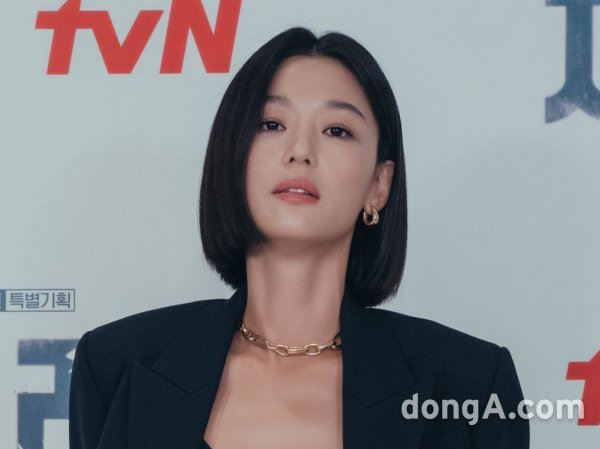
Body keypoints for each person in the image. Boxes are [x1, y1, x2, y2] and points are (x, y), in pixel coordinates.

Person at [69, 27, 529, 449]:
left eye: (337, 130)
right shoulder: (115, 365)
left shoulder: (470, 386)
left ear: (379, 184)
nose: (300, 152)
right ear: (233, 156)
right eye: (271, 124)